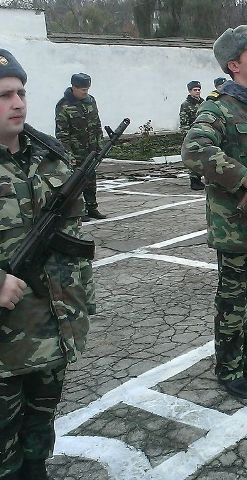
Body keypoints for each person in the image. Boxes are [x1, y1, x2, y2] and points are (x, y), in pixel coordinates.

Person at [0, 49, 95, 480]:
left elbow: (72, 237)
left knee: (38, 435)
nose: (17, 103)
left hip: (52, 329)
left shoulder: (49, 156)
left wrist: (80, 305)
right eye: (4, 95)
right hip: (4, 343)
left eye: (21, 92)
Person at [181, 25, 247, 399]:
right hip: (236, 227)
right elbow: (194, 150)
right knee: (233, 303)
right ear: (233, 64)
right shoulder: (218, 106)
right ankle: (229, 369)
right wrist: (242, 175)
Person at [55, 73, 106, 220]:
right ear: (74, 87)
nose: (85, 92)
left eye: (87, 89)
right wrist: (68, 155)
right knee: (76, 183)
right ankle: (79, 211)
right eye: (83, 90)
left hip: (91, 150)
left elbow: (97, 125)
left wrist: (100, 146)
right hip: (75, 152)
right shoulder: (63, 106)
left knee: (91, 180)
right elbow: (62, 135)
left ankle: (92, 208)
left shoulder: (91, 101)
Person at [179, 80, 205, 190]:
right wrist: (187, 136)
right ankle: (194, 180)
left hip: (204, 133)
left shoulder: (203, 103)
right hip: (192, 134)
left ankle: (201, 178)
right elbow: (184, 123)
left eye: (199, 89)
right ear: (190, 91)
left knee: (204, 156)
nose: (197, 91)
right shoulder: (186, 105)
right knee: (194, 157)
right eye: (195, 90)